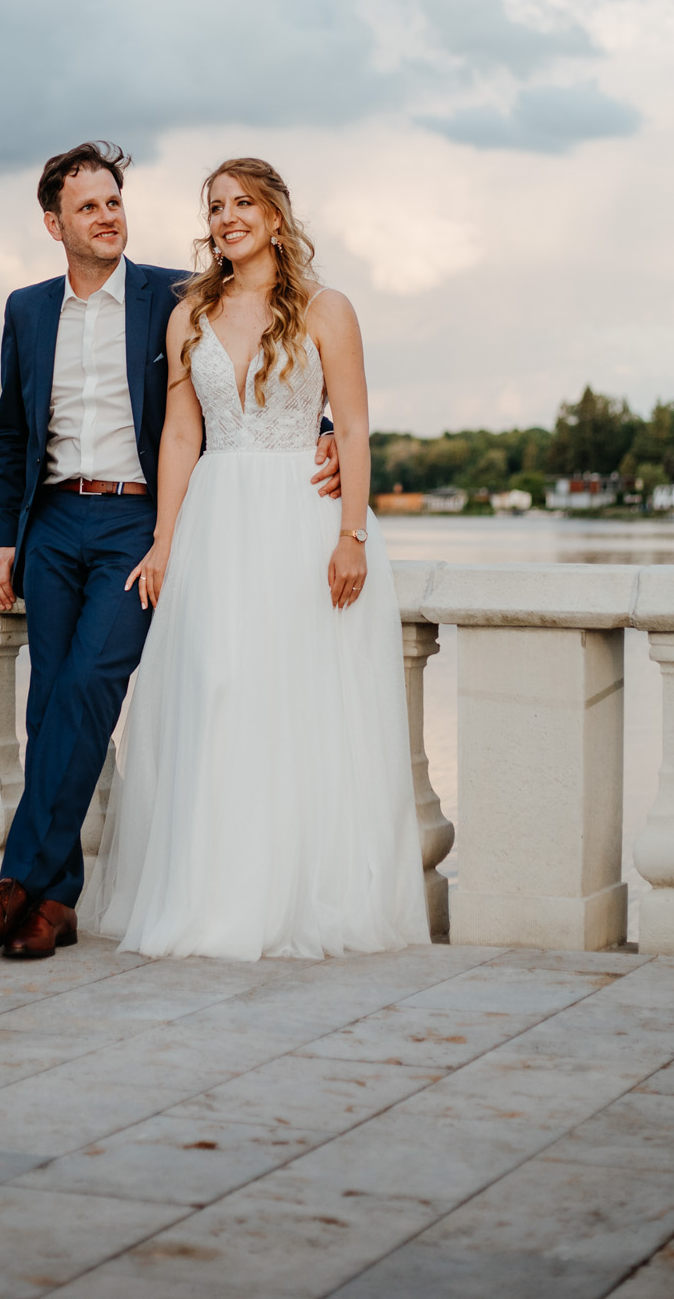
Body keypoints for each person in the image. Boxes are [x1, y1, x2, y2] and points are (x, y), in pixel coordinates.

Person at [0, 141, 343, 961]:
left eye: (114, 201)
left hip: (139, 525)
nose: (107, 216)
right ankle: (50, 908)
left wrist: (328, 433)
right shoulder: (26, 310)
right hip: (54, 524)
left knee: (94, 683)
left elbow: (254, 365)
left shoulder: (175, 295)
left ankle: (15, 880)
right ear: (53, 223)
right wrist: (1, 538)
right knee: (48, 702)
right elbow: (12, 437)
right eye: (88, 206)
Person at [81, 156, 429, 960]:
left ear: (276, 215)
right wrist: (166, 539)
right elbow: (180, 434)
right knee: (221, 694)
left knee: (296, 706)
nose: (228, 216)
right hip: (217, 523)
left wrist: (352, 535)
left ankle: (298, 898)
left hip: (302, 523)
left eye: (244, 202)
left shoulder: (325, 309)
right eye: (216, 205)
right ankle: (218, 894)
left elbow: (355, 426)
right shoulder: (190, 315)